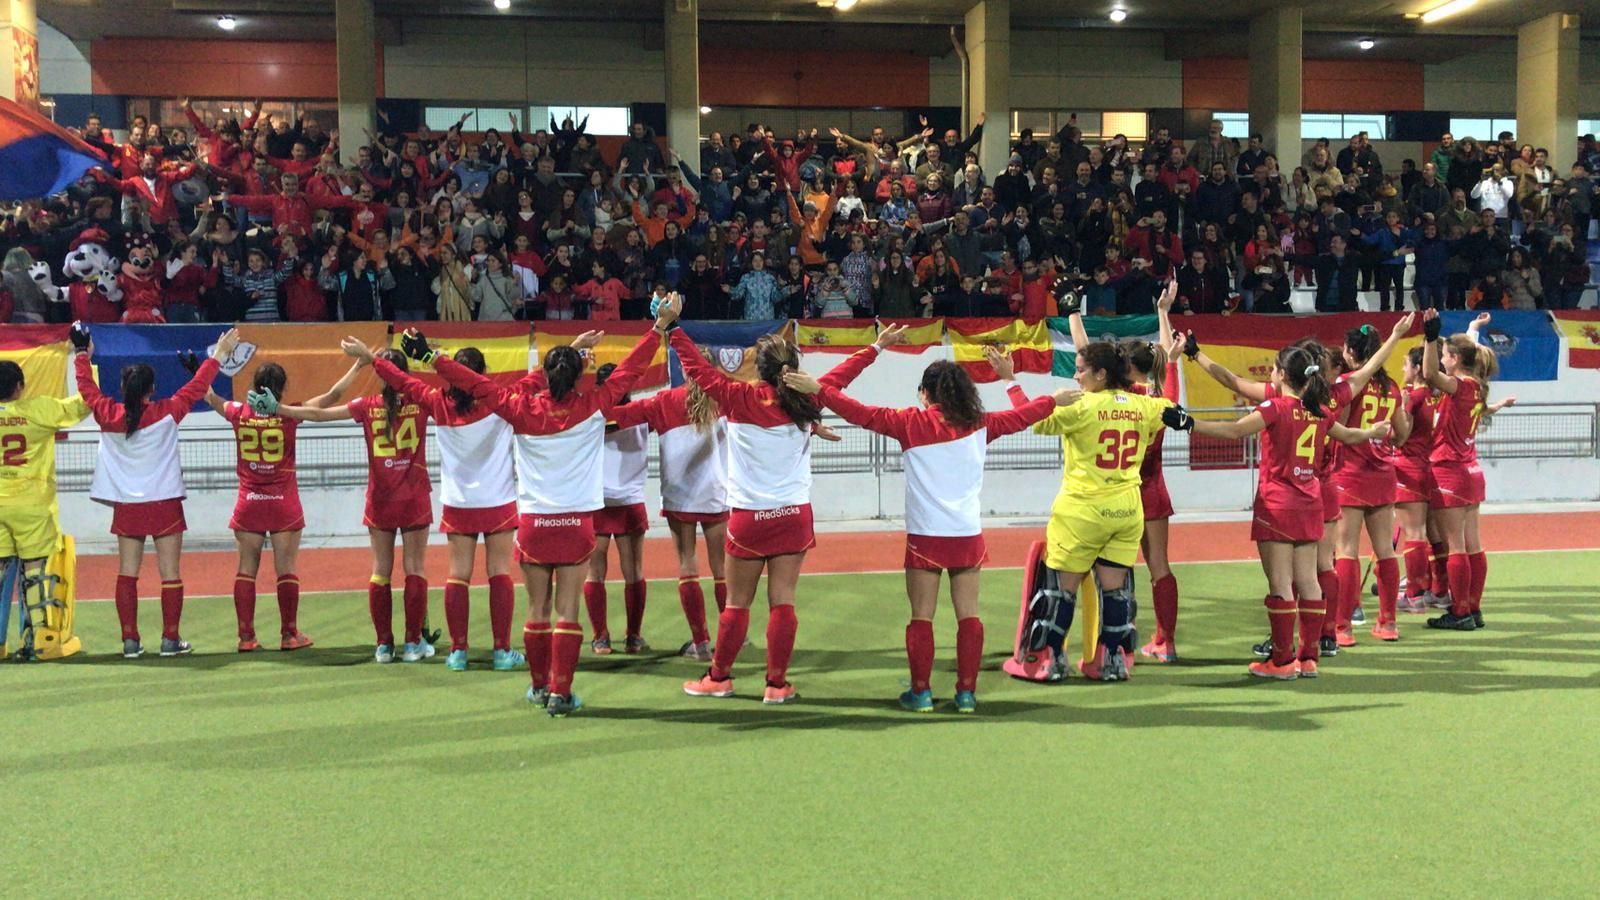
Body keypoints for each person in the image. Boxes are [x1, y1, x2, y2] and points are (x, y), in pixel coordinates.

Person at [401, 304, 674, 717]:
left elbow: (475, 385)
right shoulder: (594, 406)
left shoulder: (520, 408)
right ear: (577, 375)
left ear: (545, 376)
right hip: (576, 525)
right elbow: (630, 372)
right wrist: (658, 328)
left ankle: (538, 687)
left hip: (534, 526)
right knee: (568, 611)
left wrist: (428, 356)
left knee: (537, 611)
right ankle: (561, 694)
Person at [782, 328, 1066, 713]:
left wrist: (821, 390)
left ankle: (922, 693)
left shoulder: (909, 423)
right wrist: (1041, 392)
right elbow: (1025, 415)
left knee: (921, 617)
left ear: (926, 394)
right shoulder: (983, 424)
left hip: (925, 538)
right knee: (970, 616)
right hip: (967, 535)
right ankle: (966, 693)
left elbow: (859, 413)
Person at [1164, 344, 1390, 679]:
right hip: (1311, 502)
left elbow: (1235, 430)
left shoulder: (1276, 407)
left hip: (1278, 503)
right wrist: (1372, 432)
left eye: (1273, 369)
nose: (1271, 373)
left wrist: (1189, 423)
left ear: (1282, 375)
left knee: (1281, 584)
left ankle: (1282, 662)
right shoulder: (1318, 411)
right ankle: (1309, 658)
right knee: (1309, 581)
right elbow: (1348, 435)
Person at [670, 321, 835, 705]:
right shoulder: (807, 402)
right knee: (783, 601)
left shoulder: (737, 397)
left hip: (749, 519)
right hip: (793, 516)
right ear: (792, 368)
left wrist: (671, 329)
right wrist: (875, 347)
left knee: (736, 604)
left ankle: (719, 678)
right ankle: (776, 686)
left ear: (757, 369)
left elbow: (696, 369)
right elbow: (844, 374)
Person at [340, 339, 525, 673]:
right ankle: (501, 651)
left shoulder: (437, 402)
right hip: (498, 501)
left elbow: (404, 382)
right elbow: (538, 379)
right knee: (499, 573)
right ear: (483, 373)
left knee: (458, 576)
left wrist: (370, 359)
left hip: (458, 504)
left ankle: (458, 652)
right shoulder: (501, 400)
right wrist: (576, 349)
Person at [1021, 319, 1174, 682]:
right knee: (1116, 591)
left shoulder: (1081, 407)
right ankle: (1112, 662)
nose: (1075, 378)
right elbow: (1169, 409)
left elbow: (1035, 421)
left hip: (1083, 511)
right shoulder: (1144, 405)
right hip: (1126, 509)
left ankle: (1053, 659)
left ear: (1101, 374)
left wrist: (1012, 383)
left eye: (1080, 371)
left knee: (1061, 591)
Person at [75, 325, 238, 658]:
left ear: (122, 388)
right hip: (164, 503)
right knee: (170, 575)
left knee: (127, 573)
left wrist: (81, 354)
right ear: (152, 388)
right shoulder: (167, 412)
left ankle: (130, 642)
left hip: (127, 506)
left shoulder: (108, 414)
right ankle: (170, 640)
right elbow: (197, 387)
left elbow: (87, 389)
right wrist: (218, 355)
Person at [272, 350, 435, 664]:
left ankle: (384, 646)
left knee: (380, 572)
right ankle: (413, 644)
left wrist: (277, 408)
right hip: (414, 497)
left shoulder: (366, 407)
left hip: (380, 500)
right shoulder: (422, 403)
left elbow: (319, 414)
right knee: (414, 568)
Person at [204, 359, 363, 652]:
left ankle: (246, 638)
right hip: (283, 502)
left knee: (245, 570)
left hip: (249, 501)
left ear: (254, 386)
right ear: (282, 388)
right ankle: (289, 635)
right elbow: (332, 397)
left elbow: (212, 398)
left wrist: (200, 372)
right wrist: (358, 366)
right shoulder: (289, 414)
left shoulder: (239, 412)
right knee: (286, 569)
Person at [606, 360, 732, 661]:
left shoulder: (665, 401)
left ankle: (700, 643)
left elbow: (617, 417)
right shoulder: (727, 398)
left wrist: (574, 412)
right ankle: (732, 637)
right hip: (716, 495)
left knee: (688, 567)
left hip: (680, 498)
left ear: (687, 371)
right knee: (722, 570)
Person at [0, 358, 92, 658]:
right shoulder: (37, 410)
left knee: (1, 573)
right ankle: (39, 642)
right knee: (35, 572)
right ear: (19, 387)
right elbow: (84, 404)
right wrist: (85, 359)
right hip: (31, 504)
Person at [1329, 326, 1412, 643]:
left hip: (1350, 473)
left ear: (1351, 352)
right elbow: (1401, 434)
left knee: (1346, 550)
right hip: (1383, 474)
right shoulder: (1391, 387)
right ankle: (1388, 623)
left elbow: (1338, 426)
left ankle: (1343, 627)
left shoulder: (1348, 384)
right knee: (1386, 552)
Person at [1421, 309, 1500, 631]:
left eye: (1444, 355)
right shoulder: (1478, 385)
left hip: (1449, 469)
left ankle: (1460, 610)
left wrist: (1429, 337)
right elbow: (1467, 353)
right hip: (1470, 470)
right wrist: (1472, 328)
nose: (1441, 359)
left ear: (1454, 358)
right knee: (1472, 543)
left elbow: (1429, 374)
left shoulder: (1460, 387)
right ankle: (1473, 609)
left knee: (1456, 545)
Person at [581, 363, 653, 656]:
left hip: (596, 503)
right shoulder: (642, 415)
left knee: (594, 574)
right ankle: (633, 638)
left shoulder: (590, 418)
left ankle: (600, 638)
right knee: (634, 572)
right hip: (629, 503)